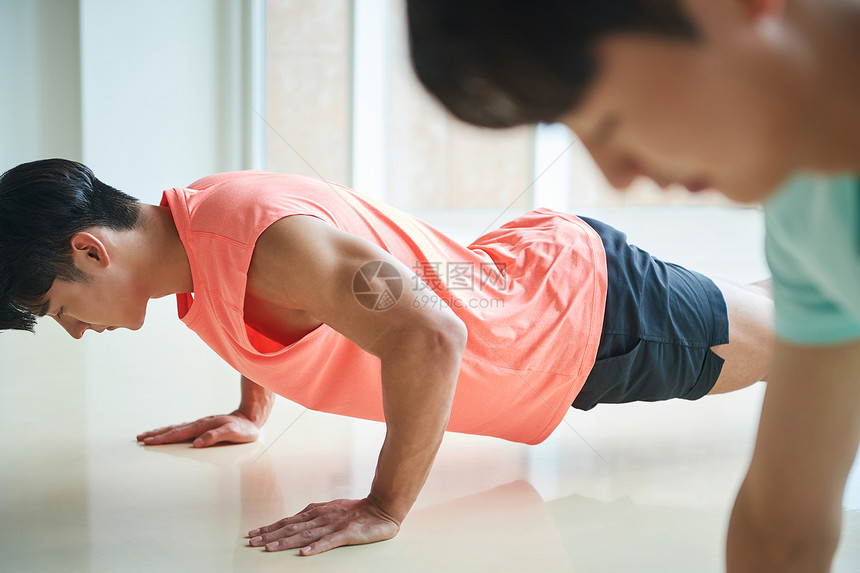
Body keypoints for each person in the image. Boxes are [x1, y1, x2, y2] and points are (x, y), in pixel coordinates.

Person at [0, 158, 772, 556]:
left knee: (816, 341)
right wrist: (252, 406)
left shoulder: (263, 241)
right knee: (798, 306)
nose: (72, 330)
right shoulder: (194, 242)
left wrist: (383, 506)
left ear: (90, 250)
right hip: (544, 301)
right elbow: (268, 300)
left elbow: (431, 335)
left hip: (588, 321)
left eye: (57, 309)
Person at [406, 0, 860, 571]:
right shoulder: (809, 211)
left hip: (592, 289)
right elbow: (782, 531)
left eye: (608, 122)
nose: (615, 175)